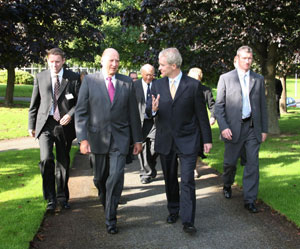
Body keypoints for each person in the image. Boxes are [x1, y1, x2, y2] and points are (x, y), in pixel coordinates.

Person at [75, 48, 142, 234]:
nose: (114, 64)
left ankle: (111, 218)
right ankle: (106, 200)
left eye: (117, 61)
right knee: (99, 179)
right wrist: (82, 139)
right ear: (102, 61)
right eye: (111, 60)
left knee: (116, 176)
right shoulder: (89, 81)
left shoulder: (127, 82)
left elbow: (133, 114)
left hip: (120, 139)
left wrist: (137, 139)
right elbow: (81, 112)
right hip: (97, 138)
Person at [147, 48, 212, 234]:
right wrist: (153, 110)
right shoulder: (157, 85)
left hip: (188, 140)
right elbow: (148, 111)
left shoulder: (193, 86)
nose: (158, 68)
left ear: (174, 66)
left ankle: (188, 220)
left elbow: (202, 115)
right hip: (166, 139)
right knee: (170, 179)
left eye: (162, 65)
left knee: (187, 180)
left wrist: (206, 139)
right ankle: (173, 209)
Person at [214, 45, 268, 213]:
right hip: (233, 129)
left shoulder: (258, 79)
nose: (248, 61)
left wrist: (264, 129)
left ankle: (249, 200)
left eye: (250, 58)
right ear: (237, 59)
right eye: (245, 58)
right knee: (230, 163)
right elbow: (219, 107)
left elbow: (262, 106)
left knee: (252, 163)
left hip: (252, 128)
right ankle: (227, 184)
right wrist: (223, 127)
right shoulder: (226, 78)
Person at [28, 48, 80, 212]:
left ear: (63, 61)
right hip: (45, 125)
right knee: (46, 160)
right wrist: (31, 125)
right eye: (51, 62)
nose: (54, 65)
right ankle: (50, 198)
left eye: (57, 61)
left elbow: (80, 102)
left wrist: (70, 114)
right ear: (47, 61)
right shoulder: (41, 77)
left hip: (64, 126)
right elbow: (34, 103)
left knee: (63, 161)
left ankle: (62, 196)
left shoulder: (73, 78)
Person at [188, 67, 216, 178]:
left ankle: (194, 168)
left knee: (196, 148)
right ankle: (187, 166)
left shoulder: (206, 90)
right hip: (186, 123)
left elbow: (212, 106)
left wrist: (213, 116)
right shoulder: (183, 89)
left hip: (199, 124)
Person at [134, 64, 158, 184]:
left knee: (155, 147)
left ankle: (151, 165)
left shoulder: (159, 84)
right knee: (142, 148)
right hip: (140, 121)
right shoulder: (134, 86)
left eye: (152, 74)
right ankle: (145, 173)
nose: (149, 77)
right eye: (147, 75)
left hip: (155, 120)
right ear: (141, 74)